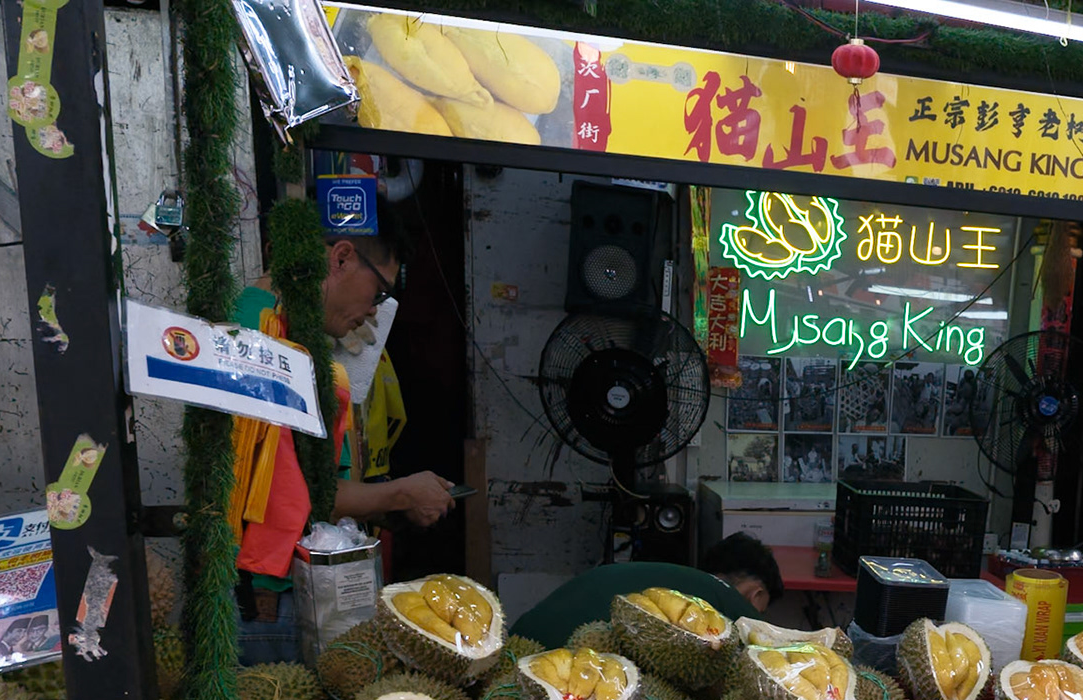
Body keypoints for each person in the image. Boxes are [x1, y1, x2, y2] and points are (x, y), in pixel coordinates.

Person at [233, 230, 457, 663]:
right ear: (341, 258)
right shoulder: (262, 338)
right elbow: (304, 498)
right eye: (379, 292)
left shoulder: (303, 344)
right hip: (265, 606)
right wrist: (400, 493)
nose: (374, 311)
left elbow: (313, 487)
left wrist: (395, 504)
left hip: (293, 597)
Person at [511, 533, 786, 648]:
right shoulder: (730, 603)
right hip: (551, 656)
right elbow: (767, 658)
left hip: (518, 638)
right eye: (760, 609)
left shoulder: (674, 582)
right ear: (757, 594)